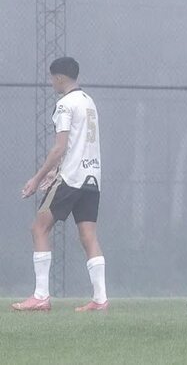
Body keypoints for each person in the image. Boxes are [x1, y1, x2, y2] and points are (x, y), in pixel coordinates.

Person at [13, 57, 107, 312]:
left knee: (39, 227)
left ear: (59, 78)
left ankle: (41, 296)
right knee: (88, 236)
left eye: (51, 78)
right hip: (92, 179)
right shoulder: (88, 102)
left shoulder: (64, 104)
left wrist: (37, 177)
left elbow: (60, 147)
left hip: (71, 178)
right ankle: (100, 300)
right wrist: (52, 171)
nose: (51, 82)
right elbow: (78, 145)